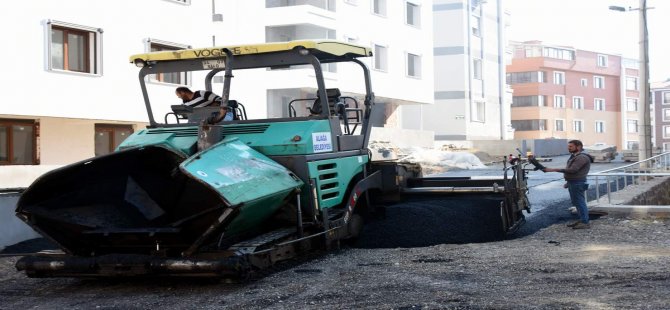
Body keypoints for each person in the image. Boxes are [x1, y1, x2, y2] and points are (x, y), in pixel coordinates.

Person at [542, 140, 595, 229]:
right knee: (577, 203)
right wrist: (568, 182)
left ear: (578, 147)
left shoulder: (581, 157)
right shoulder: (575, 156)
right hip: (574, 182)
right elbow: (573, 172)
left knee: (580, 202)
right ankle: (582, 220)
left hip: (577, 183)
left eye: (571, 146)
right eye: (568, 146)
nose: (568, 148)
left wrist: (553, 169)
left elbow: (573, 170)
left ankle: (585, 222)